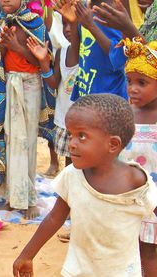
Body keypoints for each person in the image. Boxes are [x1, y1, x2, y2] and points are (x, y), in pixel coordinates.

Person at [13, 93, 157, 277]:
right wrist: (27, 255)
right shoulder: (72, 177)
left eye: (81, 136)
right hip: (78, 271)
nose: (71, 143)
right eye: (71, 135)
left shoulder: (136, 182)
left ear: (112, 144)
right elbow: (54, 219)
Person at [0, 0, 52, 219]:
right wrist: (3, 48)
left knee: (27, 141)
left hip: (30, 84)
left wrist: (16, 47)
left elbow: (42, 59)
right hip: (7, 83)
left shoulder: (34, 21)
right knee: (11, 138)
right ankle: (13, 195)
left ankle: (28, 197)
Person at [55, 0, 128, 101]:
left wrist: (91, 26)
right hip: (86, 90)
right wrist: (73, 23)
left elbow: (119, 59)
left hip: (108, 96)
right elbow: (76, 57)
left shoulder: (110, 12)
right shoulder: (83, 8)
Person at [119, 37, 157, 276]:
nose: (132, 88)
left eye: (142, 82)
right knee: (133, 250)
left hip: (154, 201)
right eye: (130, 81)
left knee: (151, 251)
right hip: (129, 199)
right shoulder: (125, 114)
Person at [27, 16, 79, 167]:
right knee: (70, 162)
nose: (68, 29)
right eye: (64, 24)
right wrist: (44, 63)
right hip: (65, 118)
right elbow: (54, 83)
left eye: (73, 24)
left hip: (83, 120)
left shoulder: (87, 55)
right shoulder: (61, 53)